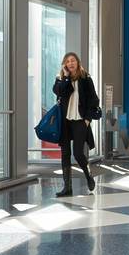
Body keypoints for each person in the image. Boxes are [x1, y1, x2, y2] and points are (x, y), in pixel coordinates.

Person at [52, 52, 100, 197]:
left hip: (80, 120)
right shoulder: (60, 79)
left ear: (78, 62)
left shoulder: (86, 78)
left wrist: (87, 119)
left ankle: (88, 175)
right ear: (64, 64)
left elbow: (94, 99)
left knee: (78, 153)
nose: (70, 63)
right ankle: (67, 187)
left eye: (73, 61)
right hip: (65, 121)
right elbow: (58, 92)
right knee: (65, 154)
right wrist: (66, 78)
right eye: (67, 61)